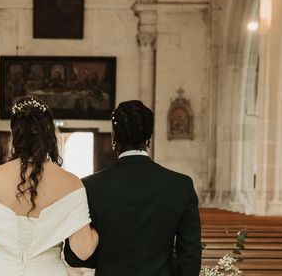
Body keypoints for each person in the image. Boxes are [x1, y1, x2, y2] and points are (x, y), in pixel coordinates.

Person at [64, 100, 202, 276]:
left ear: (114, 140)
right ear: (148, 139)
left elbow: (75, 257)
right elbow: (190, 256)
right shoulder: (180, 185)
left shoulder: (89, 187)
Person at [0, 96, 99, 276]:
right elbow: (83, 250)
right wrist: (103, 223)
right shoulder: (70, 183)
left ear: (14, 134)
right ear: (49, 134)